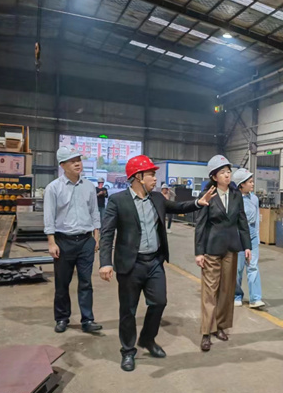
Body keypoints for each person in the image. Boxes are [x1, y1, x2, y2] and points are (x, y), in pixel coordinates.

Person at [99, 155, 216, 372]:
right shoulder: (118, 201)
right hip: (130, 264)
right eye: (151, 174)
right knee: (128, 310)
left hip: (154, 262)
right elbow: (107, 233)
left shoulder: (157, 199)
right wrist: (105, 262)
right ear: (138, 177)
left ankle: (147, 338)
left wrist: (198, 203)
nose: (155, 178)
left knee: (159, 302)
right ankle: (128, 351)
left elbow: (177, 206)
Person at [195, 155, 251, 352]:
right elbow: (200, 225)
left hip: (231, 249)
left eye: (228, 172)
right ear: (214, 177)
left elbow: (242, 221)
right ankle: (206, 332)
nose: (227, 175)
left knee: (227, 290)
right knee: (210, 291)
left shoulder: (236, 195)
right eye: (222, 173)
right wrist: (199, 252)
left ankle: (220, 327)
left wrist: (247, 246)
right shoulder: (208, 195)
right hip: (211, 249)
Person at [44, 146, 102, 334]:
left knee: (86, 283)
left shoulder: (89, 187)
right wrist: (51, 242)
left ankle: (88, 320)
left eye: (79, 160)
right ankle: (62, 318)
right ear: (62, 165)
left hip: (86, 241)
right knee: (62, 283)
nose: (78, 164)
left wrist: (96, 236)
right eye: (72, 161)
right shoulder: (54, 188)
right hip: (63, 241)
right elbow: (49, 216)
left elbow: (94, 212)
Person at [232, 168, 264, 309]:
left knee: (253, 267)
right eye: (249, 182)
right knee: (237, 269)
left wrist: (256, 237)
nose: (252, 184)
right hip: (238, 236)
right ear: (241, 184)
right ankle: (236, 295)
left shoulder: (254, 199)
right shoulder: (234, 199)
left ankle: (255, 299)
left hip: (252, 236)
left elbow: (256, 219)